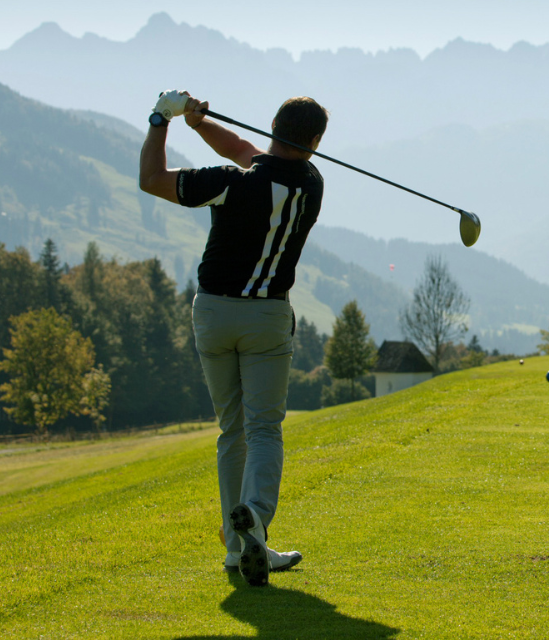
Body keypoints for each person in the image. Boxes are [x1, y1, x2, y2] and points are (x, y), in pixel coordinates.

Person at [140, 91, 326, 587]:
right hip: (267, 316)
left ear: (273, 126)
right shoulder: (311, 183)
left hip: (214, 314)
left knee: (232, 430)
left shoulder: (228, 183)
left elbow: (152, 179)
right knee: (263, 428)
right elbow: (245, 150)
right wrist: (200, 124)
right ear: (314, 142)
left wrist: (162, 120)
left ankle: (235, 547)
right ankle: (255, 522)